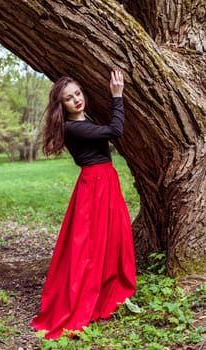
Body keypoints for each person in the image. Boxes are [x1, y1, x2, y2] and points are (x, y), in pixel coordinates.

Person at [31, 69, 136, 339]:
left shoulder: (82, 120)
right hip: (95, 185)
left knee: (109, 237)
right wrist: (117, 96)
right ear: (62, 105)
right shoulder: (75, 127)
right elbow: (116, 130)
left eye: (78, 93)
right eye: (69, 98)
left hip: (102, 182)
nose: (77, 99)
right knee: (89, 243)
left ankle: (106, 286)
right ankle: (88, 295)